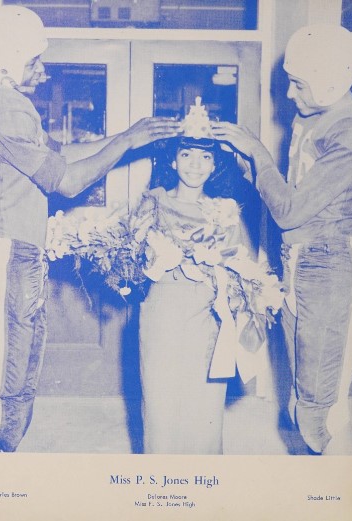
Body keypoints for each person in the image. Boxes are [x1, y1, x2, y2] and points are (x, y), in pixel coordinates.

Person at [0, 5, 180, 453]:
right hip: (4, 248)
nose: (43, 70)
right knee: (6, 369)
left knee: (13, 357)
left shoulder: (6, 104)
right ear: (6, 63)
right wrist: (125, 143)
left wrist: (130, 134)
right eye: (34, 61)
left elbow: (63, 153)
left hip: (11, 247)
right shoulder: (0, 105)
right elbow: (66, 181)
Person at [211, 24, 352, 454]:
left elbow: (291, 212)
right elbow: (290, 195)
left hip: (326, 262)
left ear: (328, 81)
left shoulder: (347, 131)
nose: (289, 95)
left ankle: (337, 496)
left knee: (319, 410)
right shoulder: (312, 117)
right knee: (298, 404)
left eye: (297, 84)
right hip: (298, 259)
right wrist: (253, 171)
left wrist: (258, 154)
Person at [130, 133, 273, 454]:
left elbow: (245, 271)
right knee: (160, 402)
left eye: (205, 157)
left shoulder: (223, 211)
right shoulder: (153, 203)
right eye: (186, 155)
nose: (195, 165)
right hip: (162, 314)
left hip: (209, 317)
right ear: (172, 160)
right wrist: (154, 262)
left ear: (213, 166)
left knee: (204, 405)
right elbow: (129, 268)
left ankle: (204, 483)